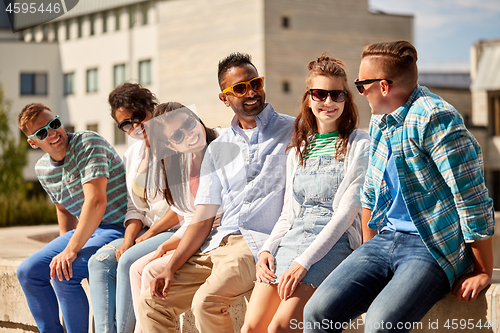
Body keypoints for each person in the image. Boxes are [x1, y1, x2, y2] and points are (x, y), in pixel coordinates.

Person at [303, 40, 495, 333]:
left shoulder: (436, 118)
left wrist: (482, 270)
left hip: (430, 246)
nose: (360, 92)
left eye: (361, 84)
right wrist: (368, 257)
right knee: (316, 312)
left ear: (383, 86)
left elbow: (471, 196)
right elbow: (371, 190)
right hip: (384, 241)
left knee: (380, 325)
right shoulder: (381, 118)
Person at [138, 52, 295, 333]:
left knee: (206, 303)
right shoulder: (218, 149)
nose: (251, 92)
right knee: (152, 301)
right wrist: (171, 266)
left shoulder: (293, 130)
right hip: (214, 245)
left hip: (255, 245)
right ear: (224, 97)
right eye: (239, 88)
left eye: (255, 83)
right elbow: (202, 218)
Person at [241, 55, 370, 333]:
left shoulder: (359, 143)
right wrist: (267, 249)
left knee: (280, 328)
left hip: (332, 246)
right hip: (292, 241)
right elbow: (289, 212)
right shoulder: (299, 148)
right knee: (251, 328)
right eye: (320, 94)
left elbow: (346, 214)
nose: (328, 102)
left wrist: (303, 263)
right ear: (309, 99)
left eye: (337, 95)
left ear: (346, 98)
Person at [16, 103, 128, 333]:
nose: (52, 133)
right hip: (91, 231)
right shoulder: (43, 169)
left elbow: (96, 201)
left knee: (63, 273)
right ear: (33, 142)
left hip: (120, 226)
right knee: (27, 272)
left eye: (54, 124)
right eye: (42, 132)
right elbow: (64, 208)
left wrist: (71, 250)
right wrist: (64, 247)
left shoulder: (88, 143)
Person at [88, 84, 185, 333]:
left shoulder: (174, 145)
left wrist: (147, 236)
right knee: (99, 263)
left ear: (150, 109)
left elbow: (183, 205)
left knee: (129, 260)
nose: (134, 126)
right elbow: (135, 209)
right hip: (148, 231)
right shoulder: (131, 154)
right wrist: (128, 239)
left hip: (176, 228)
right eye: (125, 124)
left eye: (137, 117)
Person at [128, 102, 220, 333]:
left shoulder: (219, 150)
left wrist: (171, 247)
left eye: (189, 124)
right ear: (171, 144)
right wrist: (167, 245)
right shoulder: (187, 162)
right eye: (178, 135)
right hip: (198, 236)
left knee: (150, 270)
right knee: (136, 267)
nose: (189, 134)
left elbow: (209, 220)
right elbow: (189, 216)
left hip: (216, 239)